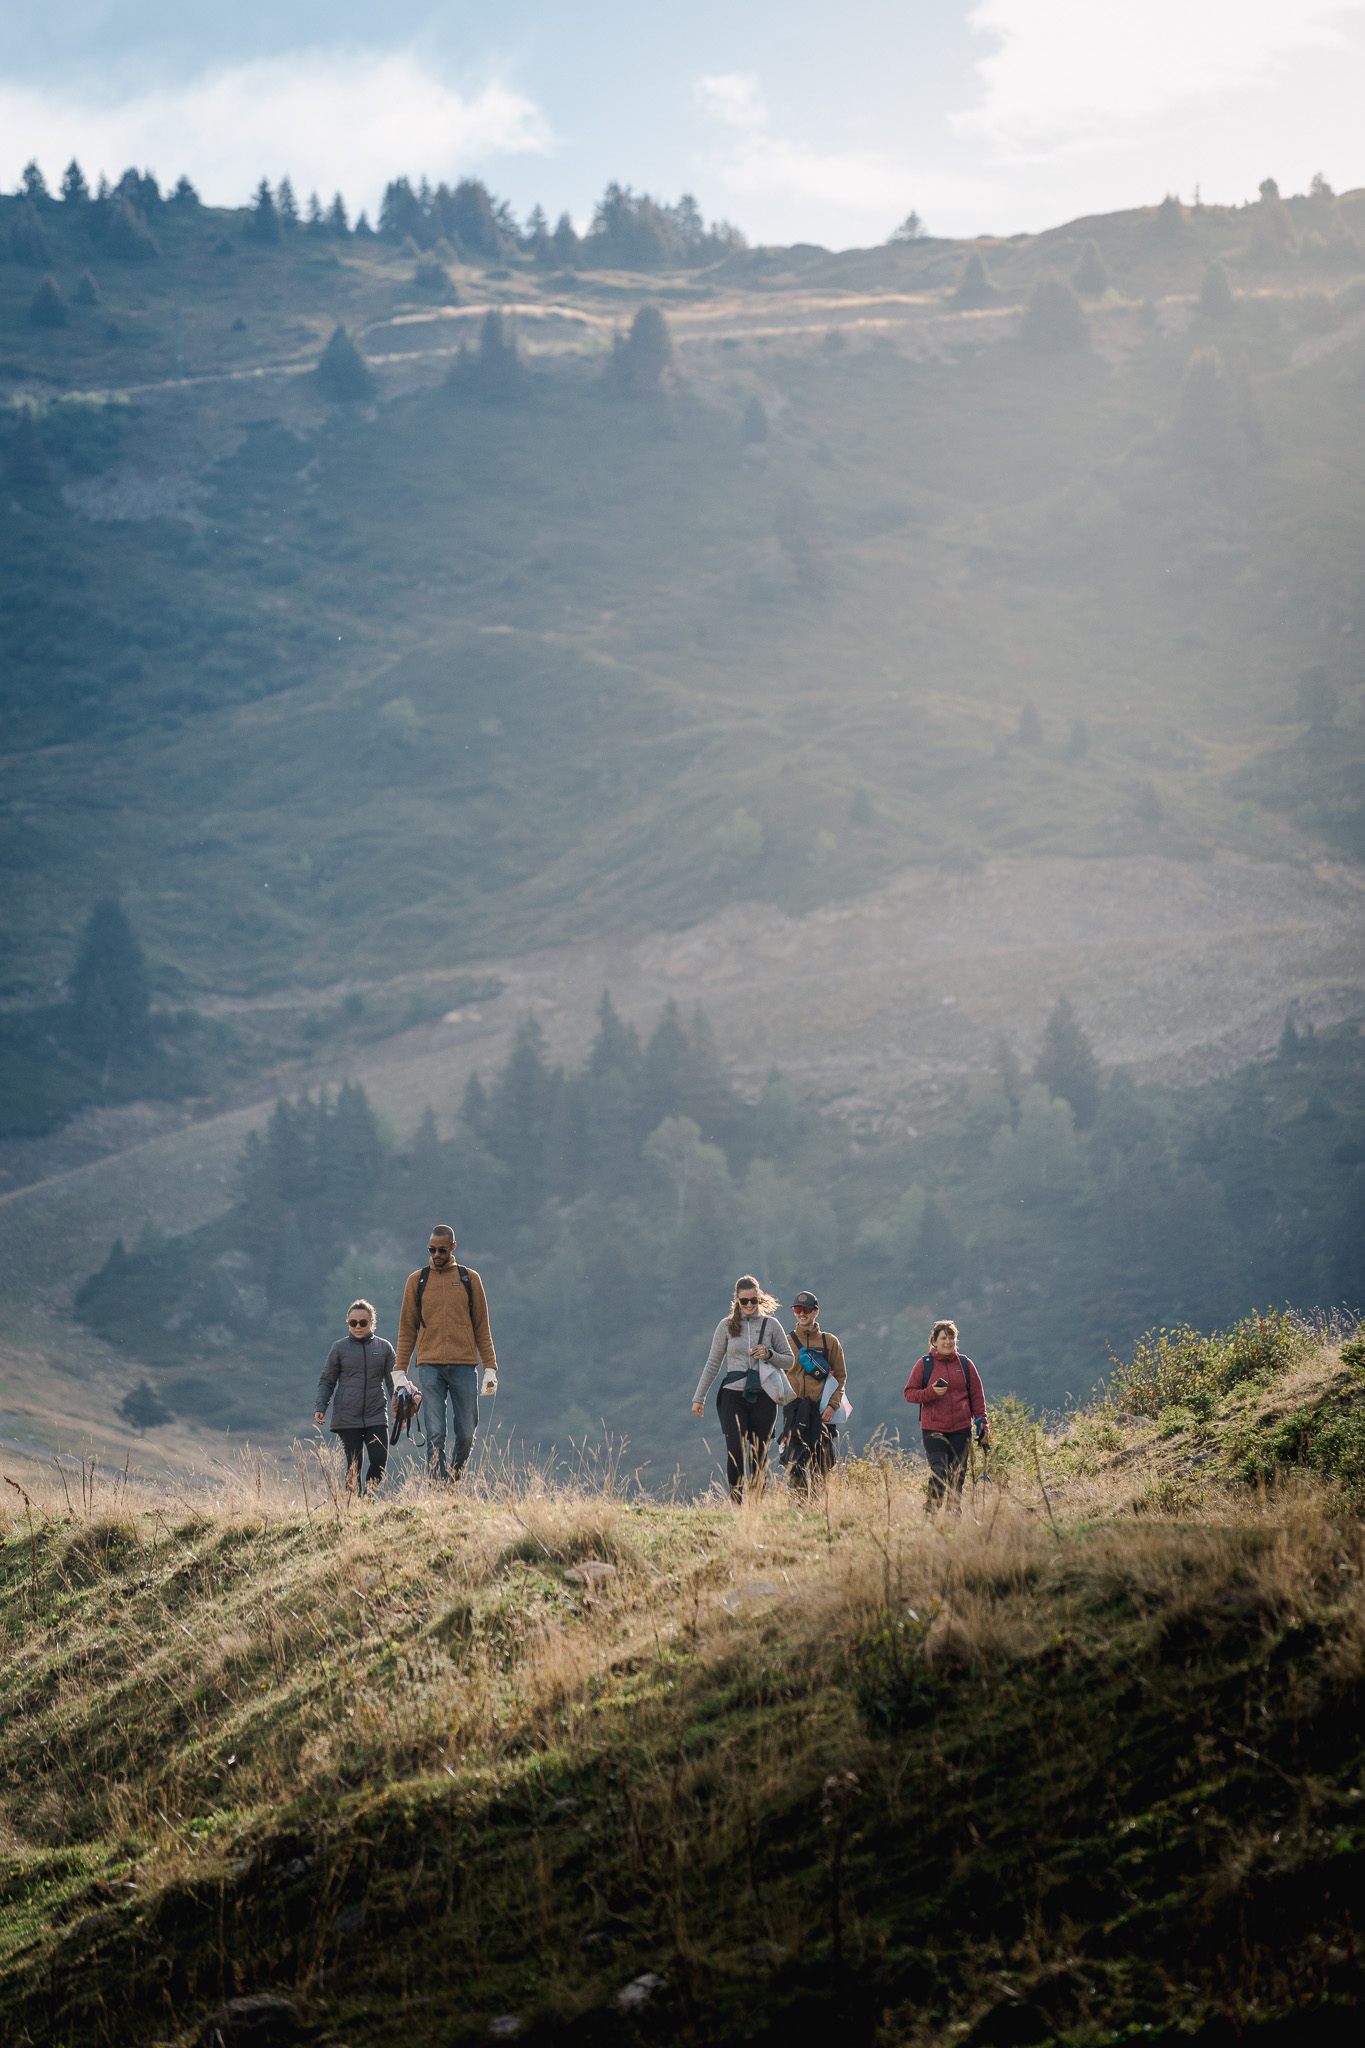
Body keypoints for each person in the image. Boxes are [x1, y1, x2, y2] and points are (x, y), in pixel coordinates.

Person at [395, 1225, 498, 1483]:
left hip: (464, 1366)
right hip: (429, 1367)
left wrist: (490, 1368)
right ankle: (439, 1490)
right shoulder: (417, 1281)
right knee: (435, 1434)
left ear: (453, 1247)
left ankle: (451, 1480)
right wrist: (399, 1371)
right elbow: (407, 1330)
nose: (436, 1254)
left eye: (442, 1249)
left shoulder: (469, 1279)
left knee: (466, 1435)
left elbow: (481, 1327)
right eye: (432, 1249)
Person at [692, 1275, 795, 1502]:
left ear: (760, 1298)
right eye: (744, 1301)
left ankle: (756, 1506)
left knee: (758, 1453)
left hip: (764, 1394)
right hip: (733, 1395)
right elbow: (713, 1363)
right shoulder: (726, 1326)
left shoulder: (772, 1325)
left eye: (753, 1300)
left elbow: (789, 1361)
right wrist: (699, 1398)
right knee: (735, 1451)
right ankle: (737, 1505)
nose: (749, 1305)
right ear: (736, 1300)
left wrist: (769, 1354)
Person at [314, 1298, 396, 1498]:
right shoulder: (339, 1348)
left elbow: (394, 1381)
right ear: (348, 1323)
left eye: (363, 1322)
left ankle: (369, 1497)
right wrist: (321, 1405)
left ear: (372, 1322)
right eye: (353, 1323)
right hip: (347, 1415)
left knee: (379, 1459)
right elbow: (327, 1379)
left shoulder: (385, 1348)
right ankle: (354, 1505)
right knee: (354, 1463)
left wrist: (399, 1410)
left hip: (376, 1413)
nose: (358, 1326)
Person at [903, 1318, 988, 1512]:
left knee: (958, 1475)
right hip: (933, 1429)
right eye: (943, 1338)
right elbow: (909, 1394)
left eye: (952, 1338)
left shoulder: (966, 1364)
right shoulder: (924, 1364)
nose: (948, 1342)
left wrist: (983, 1426)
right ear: (934, 1341)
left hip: (961, 1428)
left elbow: (977, 1397)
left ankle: (953, 1516)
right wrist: (931, 1393)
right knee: (940, 1471)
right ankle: (931, 1512)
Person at [781, 1289, 847, 1492]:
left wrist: (832, 1405)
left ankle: (819, 1513)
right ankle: (799, 1512)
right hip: (794, 1410)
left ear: (816, 1312)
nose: (802, 1313)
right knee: (795, 1466)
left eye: (807, 1309)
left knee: (822, 1467)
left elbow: (841, 1377)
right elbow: (775, 1375)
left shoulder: (830, 1342)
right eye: (798, 1309)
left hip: (822, 1411)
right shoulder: (786, 1341)